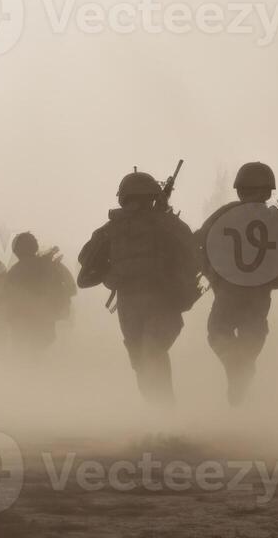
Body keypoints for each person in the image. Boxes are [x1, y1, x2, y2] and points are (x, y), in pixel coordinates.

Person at [77, 172, 199, 405]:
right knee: (149, 354)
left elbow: (87, 260)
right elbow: (192, 254)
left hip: (138, 301)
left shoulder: (111, 228)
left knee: (145, 356)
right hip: (157, 300)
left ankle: (161, 412)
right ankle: (161, 412)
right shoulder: (168, 224)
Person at [194, 161, 278, 404]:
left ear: (239, 189)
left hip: (227, 287)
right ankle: (243, 367)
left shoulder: (226, 212)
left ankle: (233, 364)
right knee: (254, 331)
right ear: (269, 190)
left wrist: (210, 268)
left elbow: (198, 241)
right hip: (260, 289)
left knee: (218, 331)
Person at [1, 232, 76, 357]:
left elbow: (3, 297)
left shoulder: (14, 271)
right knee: (40, 352)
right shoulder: (52, 265)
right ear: (34, 246)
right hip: (46, 319)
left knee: (20, 355)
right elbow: (72, 289)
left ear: (16, 251)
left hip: (21, 321)